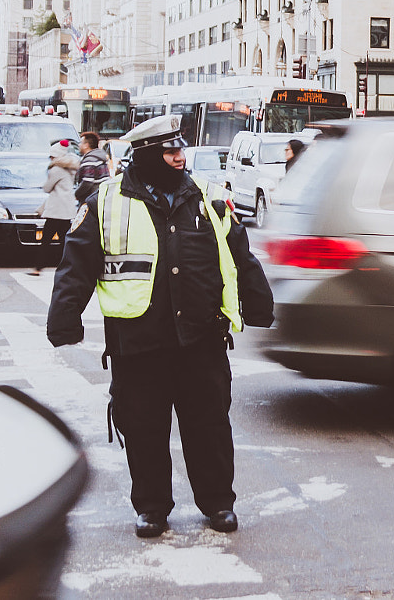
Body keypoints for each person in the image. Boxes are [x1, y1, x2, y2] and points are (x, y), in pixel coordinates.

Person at [47, 114, 274, 539]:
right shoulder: (105, 201)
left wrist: (259, 305)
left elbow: (240, 256)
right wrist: (64, 320)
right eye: (170, 151)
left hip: (202, 341)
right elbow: (76, 265)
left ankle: (218, 504)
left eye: (180, 149)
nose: (179, 158)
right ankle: (152, 508)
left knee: (209, 429)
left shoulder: (209, 198)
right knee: (145, 431)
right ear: (148, 154)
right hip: (138, 346)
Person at [32, 141, 80, 276]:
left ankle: (38, 267)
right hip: (67, 209)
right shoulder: (70, 169)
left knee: (46, 240)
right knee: (64, 241)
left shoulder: (56, 170)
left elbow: (47, 188)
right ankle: (68, 266)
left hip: (56, 210)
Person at [75, 132, 112, 202]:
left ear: (86, 145)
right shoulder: (100, 157)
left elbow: (87, 182)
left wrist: (76, 194)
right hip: (100, 197)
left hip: (90, 199)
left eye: (80, 143)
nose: (79, 145)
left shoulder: (90, 160)